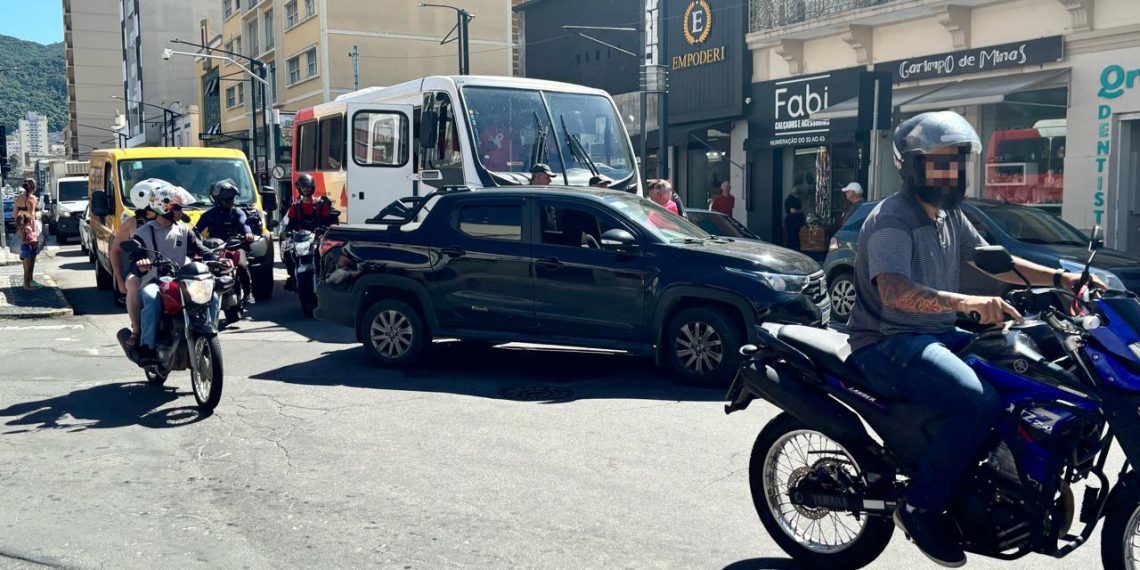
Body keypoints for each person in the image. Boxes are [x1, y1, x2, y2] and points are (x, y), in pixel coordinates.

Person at [845, 111, 1105, 568]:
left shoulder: (949, 215)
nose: (952, 173)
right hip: (888, 342)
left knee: (1031, 364)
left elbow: (997, 262)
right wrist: (968, 303)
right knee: (976, 399)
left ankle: (1000, 478)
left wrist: (1065, 280)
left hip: (936, 334)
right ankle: (921, 506)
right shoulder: (892, 220)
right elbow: (895, 292)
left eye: (958, 162)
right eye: (940, 163)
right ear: (911, 166)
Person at [129, 180, 221, 365]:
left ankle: (208, 335)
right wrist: (142, 263)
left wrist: (219, 258)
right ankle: (147, 348)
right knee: (151, 297)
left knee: (213, 295)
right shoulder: (143, 232)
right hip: (155, 282)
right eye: (178, 207)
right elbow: (135, 260)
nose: (182, 212)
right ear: (165, 208)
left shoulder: (184, 230)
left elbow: (200, 249)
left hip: (181, 280)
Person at [194, 179, 256, 306]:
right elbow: (195, 230)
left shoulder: (237, 212)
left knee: (243, 264)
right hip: (215, 249)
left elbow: (244, 223)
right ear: (217, 200)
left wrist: (248, 233)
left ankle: (248, 293)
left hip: (234, 247)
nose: (230, 202)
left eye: (232, 199)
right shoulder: (208, 215)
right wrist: (192, 238)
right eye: (227, 200)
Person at [283, 173, 337, 291]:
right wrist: (288, 232)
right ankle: (292, 276)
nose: (306, 189)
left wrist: (324, 230)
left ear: (312, 188)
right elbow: (291, 223)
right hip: (301, 238)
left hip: (318, 238)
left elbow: (327, 221)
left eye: (308, 187)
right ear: (300, 189)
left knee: (326, 253)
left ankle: (327, 277)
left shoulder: (320, 204)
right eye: (304, 187)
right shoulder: (295, 206)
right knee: (288, 251)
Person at [13, 180, 41, 290]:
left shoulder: (18, 199)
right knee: (31, 257)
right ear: (33, 188)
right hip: (31, 229)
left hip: (20, 228)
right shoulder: (33, 199)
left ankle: (28, 281)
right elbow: (32, 215)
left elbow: (14, 214)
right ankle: (28, 282)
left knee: (25, 257)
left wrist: (20, 222)